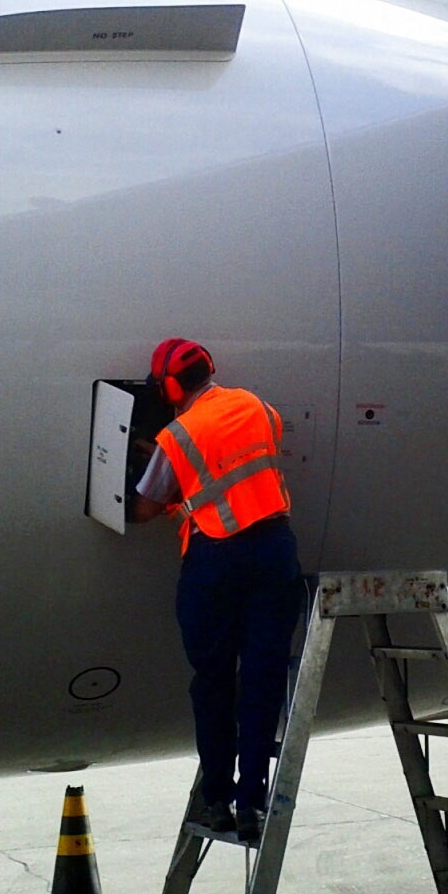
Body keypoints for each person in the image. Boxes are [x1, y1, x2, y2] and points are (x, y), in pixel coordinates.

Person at [127, 338, 301, 844]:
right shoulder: (256, 407)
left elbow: (141, 509)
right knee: (263, 679)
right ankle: (252, 804)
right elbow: (236, 462)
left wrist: (156, 464)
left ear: (172, 387)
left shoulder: (177, 437)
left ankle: (217, 800)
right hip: (274, 551)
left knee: (214, 682)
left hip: (216, 562)